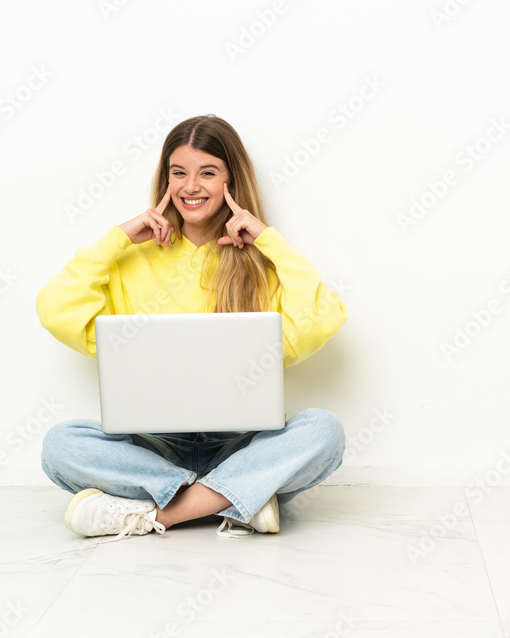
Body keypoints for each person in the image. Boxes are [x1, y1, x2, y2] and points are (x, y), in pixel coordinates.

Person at [36, 114, 347, 543]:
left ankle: (158, 513)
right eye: (178, 172)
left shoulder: (259, 262)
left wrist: (268, 240)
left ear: (231, 180)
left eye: (208, 173)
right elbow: (56, 309)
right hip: (154, 448)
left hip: (240, 445)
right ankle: (237, 498)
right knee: (61, 445)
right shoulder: (131, 260)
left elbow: (320, 320)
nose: (190, 186)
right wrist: (118, 238)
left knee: (324, 431)